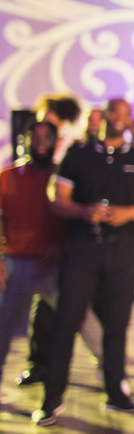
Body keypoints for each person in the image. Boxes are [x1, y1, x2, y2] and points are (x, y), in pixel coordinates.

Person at [35, 99, 134, 425]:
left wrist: (130, 213)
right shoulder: (79, 155)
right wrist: (82, 211)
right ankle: (52, 399)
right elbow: (57, 199)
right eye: (113, 113)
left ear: (129, 120)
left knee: (118, 325)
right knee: (67, 321)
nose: (118, 119)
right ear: (104, 117)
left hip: (123, 249)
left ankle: (115, 393)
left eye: (125, 114)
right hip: (82, 247)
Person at [0, 121, 66, 398]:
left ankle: (112, 375)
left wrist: (61, 249)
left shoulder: (62, 176)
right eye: (34, 136)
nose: (40, 141)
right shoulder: (7, 176)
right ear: (24, 139)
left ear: (55, 141)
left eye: (46, 137)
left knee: (81, 320)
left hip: (54, 265)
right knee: (3, 329)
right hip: (17, 265)